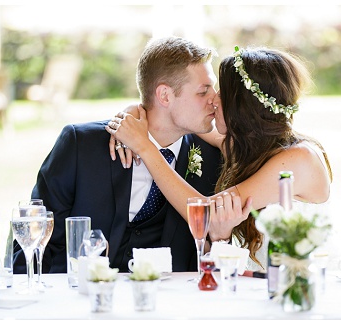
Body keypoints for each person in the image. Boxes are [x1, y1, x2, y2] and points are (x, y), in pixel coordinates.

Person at [108, 46, 333, 271]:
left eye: (221, 93)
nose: (213, 100)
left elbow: (208, 215)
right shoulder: (245, 146)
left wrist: (146, 149)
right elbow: (178, 117)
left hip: (302, 289)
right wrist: (136, 112)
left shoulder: (299, 161)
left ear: (242, 106)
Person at [30, 36, 228, 273]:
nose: (215, 100)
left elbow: (212, 257)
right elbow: (33, 236)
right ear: (164, 95)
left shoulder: (212, 159)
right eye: (203, 91)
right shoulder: (80, 145)